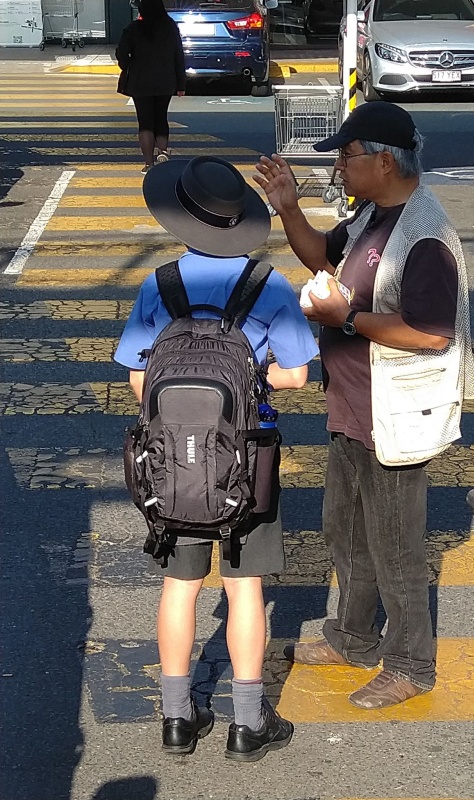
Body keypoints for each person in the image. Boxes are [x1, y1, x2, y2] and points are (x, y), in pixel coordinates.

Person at [254, 102, 474, 710]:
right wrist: (288, 207)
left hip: (396, 415)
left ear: (385, 161)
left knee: (396, 547)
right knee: (346, 530)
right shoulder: (371, 216)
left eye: (347, 156)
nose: (338, 166)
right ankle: (352, 637)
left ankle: (410, 665)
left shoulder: (425, 237)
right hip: (353, 403)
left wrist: (345, 317)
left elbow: (430, 333)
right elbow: (322, 257)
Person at [115, 155, 319, 759]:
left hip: (173, 463)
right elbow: (297, 376)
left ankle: (177, 718)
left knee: (180, 586)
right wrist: (249, 377)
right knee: (244, 586)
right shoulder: (268, 284)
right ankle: (247, 724)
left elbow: (139, 381)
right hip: (246, 461)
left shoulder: (160, 284)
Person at [116, 0, 186, 173]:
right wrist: (181, 83)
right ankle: (162, 152)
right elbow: (179, 56)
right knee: (161, 117)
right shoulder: (170, 27)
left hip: (140, 81)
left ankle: (149, 164)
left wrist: (128, 65)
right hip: (165, 80)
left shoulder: (133, 29)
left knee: (145, 122)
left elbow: (121, 54)